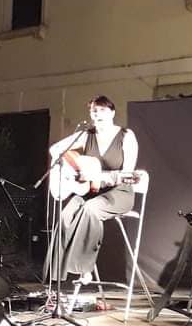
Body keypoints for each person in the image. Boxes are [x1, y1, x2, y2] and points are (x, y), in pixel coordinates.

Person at [45, 95, 139, 283]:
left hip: (119, 193)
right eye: (94, 111)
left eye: (102, 110)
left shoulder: (126, 136)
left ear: (112, 113)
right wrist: (71, 173)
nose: (97, 114)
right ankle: (55, 275)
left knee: (90, 208)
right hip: (92, 192)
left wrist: (99, 177)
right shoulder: (86, 135)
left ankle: (84, 270)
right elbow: (55, 150)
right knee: (66, 214)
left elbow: (128, 173)